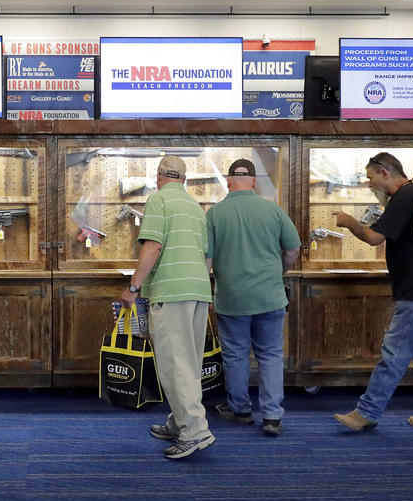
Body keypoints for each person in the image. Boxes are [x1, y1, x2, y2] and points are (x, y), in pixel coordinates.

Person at [331, 152, 413, 434]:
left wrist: (350, 221)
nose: (369, 184)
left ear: (385, 172)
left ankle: (367, 412)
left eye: (371, 178)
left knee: (395, 352)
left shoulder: (404, 196)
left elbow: (375, 237)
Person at [119, 156, 214, 459]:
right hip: (198, 291)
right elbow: (206, 256)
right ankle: (179, 421)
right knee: (189, 362)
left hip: (172, 293)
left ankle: (194, 432)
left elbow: (153, 246)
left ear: (158, 175)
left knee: (175, 366)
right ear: (184, 180)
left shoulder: (159, 200)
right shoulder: (195, 207)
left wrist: (134, 286)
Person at [205, 159, 300, 437]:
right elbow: (293, 251)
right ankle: (271, 416)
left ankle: (241, 410)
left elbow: (206, 260)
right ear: (255, 181)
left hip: (232, 299)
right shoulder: (273, 210)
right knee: (270, 355)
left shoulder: (214, 214)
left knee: (235, 356)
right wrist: (278, 271)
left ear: (228, 181)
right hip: (270, 296)